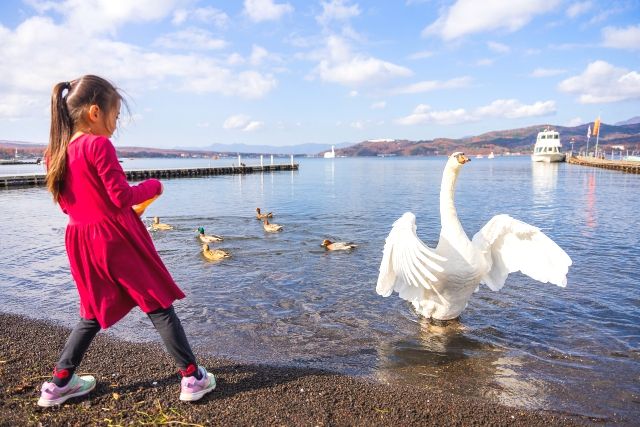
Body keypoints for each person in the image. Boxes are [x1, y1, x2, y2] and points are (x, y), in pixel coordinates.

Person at [38, 75, 215, 407]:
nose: (115, 125)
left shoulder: (55, 153)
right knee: (157, 302)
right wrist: (152, 187)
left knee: (92, 309)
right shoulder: (97, 145)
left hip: (80, 239)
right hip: (115, 238)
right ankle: (192, 377)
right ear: (94, 112)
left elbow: (67, 205)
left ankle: (60, 383)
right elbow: (120, 197)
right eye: (115, 117)